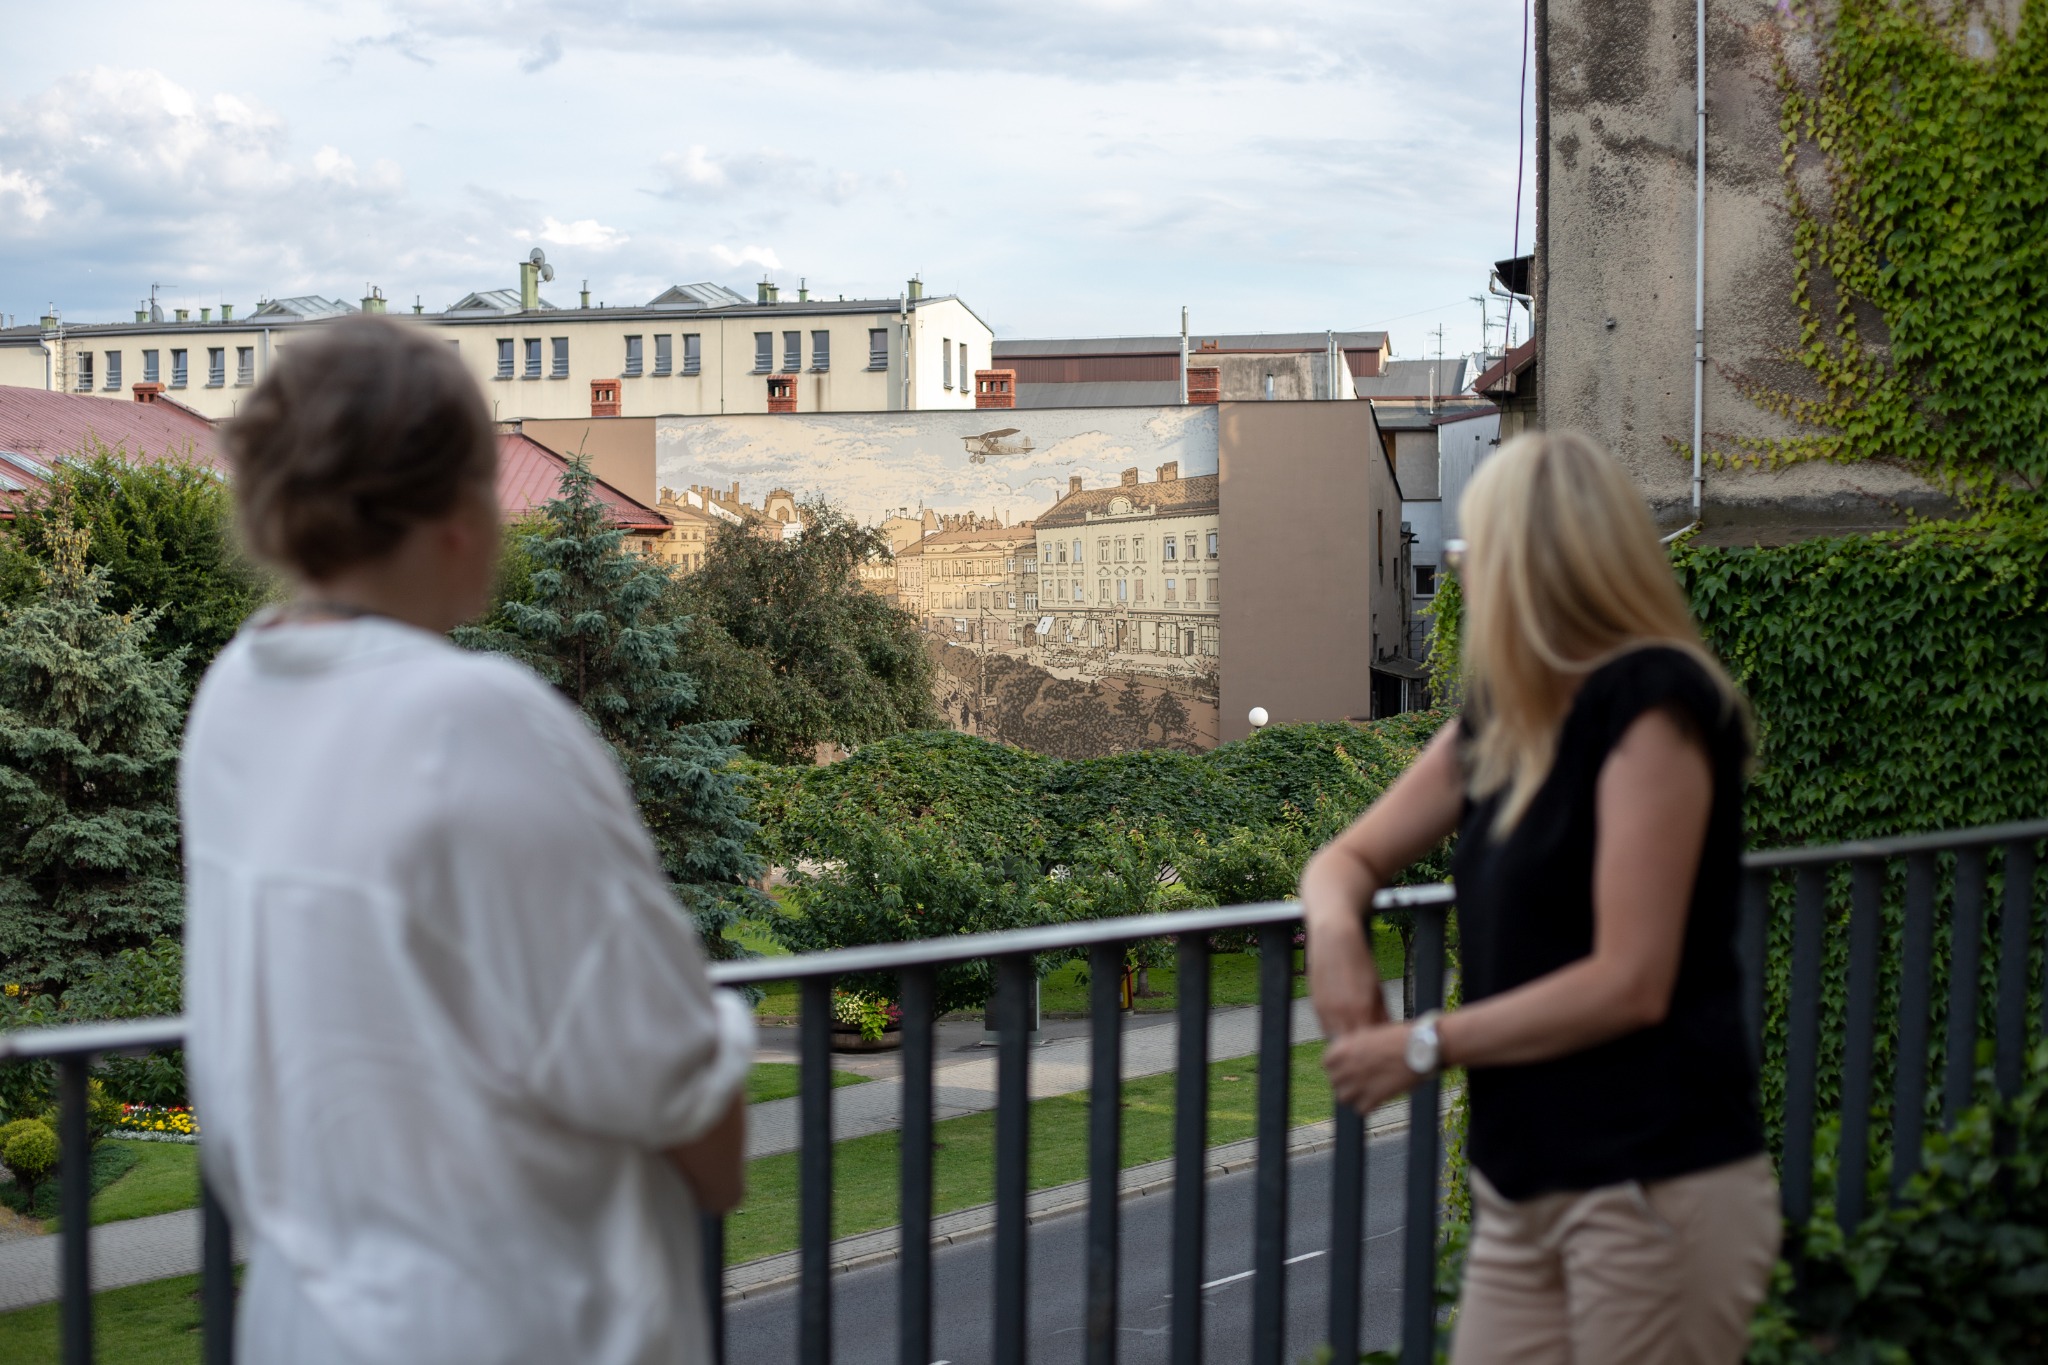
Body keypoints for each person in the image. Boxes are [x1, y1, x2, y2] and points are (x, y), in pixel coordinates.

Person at [181, 315, 754, 1365]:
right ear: (454, 513)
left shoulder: (236, 694)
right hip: (514, 1329)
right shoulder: (473, 721)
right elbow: (680, 1102)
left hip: (303, 1326)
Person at [1301, 431, 1779, 1365]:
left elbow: (1630, 980)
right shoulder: (1506, 716)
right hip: (1523, 1192)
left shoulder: (1654, 705)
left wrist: (1423, 1041)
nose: (1459, 572)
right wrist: (1333, 931)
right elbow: (1344, 861)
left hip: (1650, 1190)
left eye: (1473, 547)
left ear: (1533, 560)